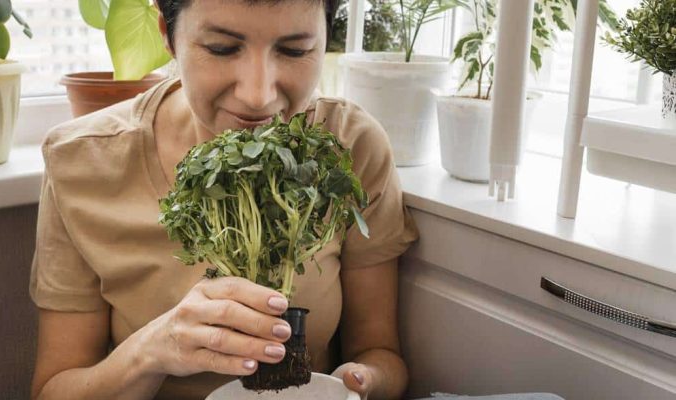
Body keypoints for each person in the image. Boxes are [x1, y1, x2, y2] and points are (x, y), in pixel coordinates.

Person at [28, 1, 562, 400]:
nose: (259, 94)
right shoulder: (82, 161)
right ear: (168, 34)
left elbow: (382, 356)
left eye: (295, 49)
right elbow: (54, 389)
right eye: (221, 48)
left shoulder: (350, 147)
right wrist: (153, 349)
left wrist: (361, 381)